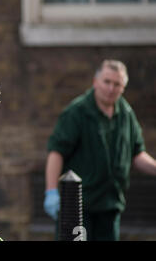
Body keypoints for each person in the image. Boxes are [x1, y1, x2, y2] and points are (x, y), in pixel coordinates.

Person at [44, 60, 156, 241]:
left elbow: (137, 153)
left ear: (123, 88)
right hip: (79, 208)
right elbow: (57, 152)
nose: (111, 88)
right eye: (107, 82)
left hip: (110, 206)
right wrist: (51, 191)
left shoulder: (126, 114)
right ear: (96, 82)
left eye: (117, 84)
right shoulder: (77, 112)